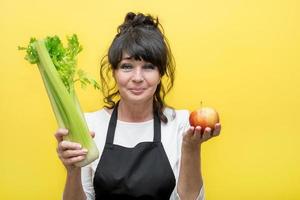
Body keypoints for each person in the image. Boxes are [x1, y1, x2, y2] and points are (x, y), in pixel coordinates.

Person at [55, 12, 221, 200]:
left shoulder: (181, 123)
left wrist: (191, 148)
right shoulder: (89, 125)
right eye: (127, 66)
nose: (137, 78)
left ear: (161, 74)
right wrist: (72, 170)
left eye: (148, 67)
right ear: (114, 72)